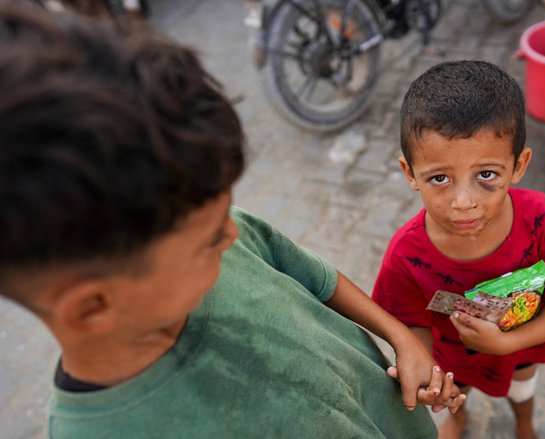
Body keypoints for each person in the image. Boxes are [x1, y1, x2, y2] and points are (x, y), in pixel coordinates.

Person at [0, 4, 465, 438]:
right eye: (206, 240)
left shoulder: (219, 237)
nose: (232, 233)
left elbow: (308, 273)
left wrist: (400, 338)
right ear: (93, 307)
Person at [371, 60, 545, 439]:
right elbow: (410, 325)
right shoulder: (405, 255)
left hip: (523, 348)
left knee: (522, 390)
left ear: (519, 166)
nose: (464, 202)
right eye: (439, 178)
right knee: (460, 393)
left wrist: (507, 343)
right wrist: (431, 375)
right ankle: (458, 416)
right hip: (453, 360)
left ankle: (524, 422)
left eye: (486, 174)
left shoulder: (541, 221)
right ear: (409, 174)